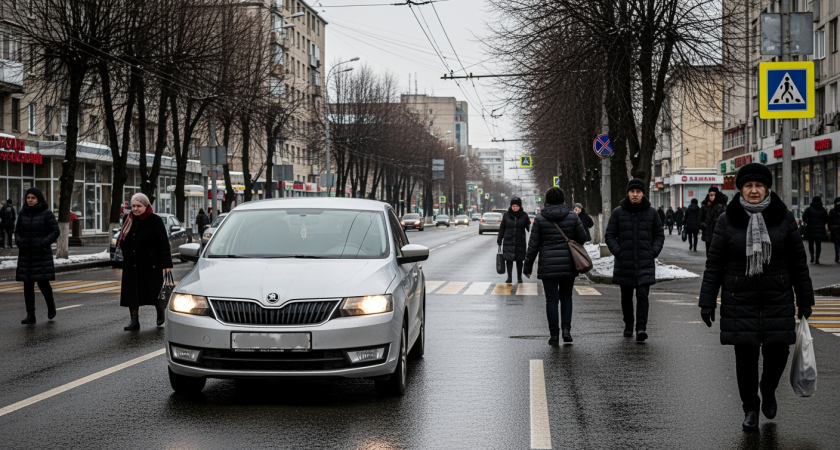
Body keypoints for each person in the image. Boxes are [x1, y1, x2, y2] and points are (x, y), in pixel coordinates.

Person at [699, 163, 814, 431]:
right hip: (740, 299)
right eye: (748, 186)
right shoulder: (727, 220)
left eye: (759, 186)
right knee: (746, 359)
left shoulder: (783, 217)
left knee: (778, 354)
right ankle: (750, 408)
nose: (753, 190)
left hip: (778, 297)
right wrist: (706, 301)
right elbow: (714, 263)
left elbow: (798, 262)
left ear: (767, 189)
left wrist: (805, 299)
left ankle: (768, 387)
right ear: (740, 189)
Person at [524, 187, 589, 345]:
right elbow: (583, 237)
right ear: (563, 200)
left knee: (551, 301)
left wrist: (527, 267)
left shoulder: (540, 219)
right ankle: (566, 330)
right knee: (566, 297)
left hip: (548, 265)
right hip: (568, 264)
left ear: (546, 200)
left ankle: (554, 335)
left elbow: (533, 245)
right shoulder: (572, 216)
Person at [605, 179, 664, 341]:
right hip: (625, 262)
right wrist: (619, 252)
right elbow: (609, 235)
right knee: (626, 297)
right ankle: (629, 324)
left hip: (645, 261)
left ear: (643, 193)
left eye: (638, 191)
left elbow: (659, 235)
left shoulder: (652, 213)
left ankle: (641, 328)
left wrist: (653, 252)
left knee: (643, 296)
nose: (635, 195)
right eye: (632, 191)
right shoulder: (618, 212)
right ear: (628, 193)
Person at [118, 193, 173, 330]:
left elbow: (163, 244)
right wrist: (126, 256)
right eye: (133, 206)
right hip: (132, 263)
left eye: (139, 206)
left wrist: (166, 264)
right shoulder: (128, 219)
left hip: (151, 264)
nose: (135, 209)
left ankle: (160, 312)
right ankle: (134, 321)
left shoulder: (155, 220)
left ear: (146, 206)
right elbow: (123, 239)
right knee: (132, 293)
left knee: (154, 292)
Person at [16, 188, 60, 325]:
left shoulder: (47, 214)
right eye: (28, 197)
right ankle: (30, 315)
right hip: (26, 254)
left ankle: (51, 306)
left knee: (43, 282)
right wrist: (20, 242)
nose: (30, 200)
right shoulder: (22, 213)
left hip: (41, 253)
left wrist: (43, 243)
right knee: (27, 284)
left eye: (33, 198)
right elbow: (17, 232)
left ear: (39, 199)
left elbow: (55, 231)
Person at [498, 197, 531, 284]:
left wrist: (532, 228)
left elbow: (529, 227)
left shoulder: (524, 215)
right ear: (511, 206)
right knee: (509, 260)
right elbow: (502, 228)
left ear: (520, 206)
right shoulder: (506, 215)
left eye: (516, 206)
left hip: (520, 241)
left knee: (519, 260)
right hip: (508, 241)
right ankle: (509, 278)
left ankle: (519, 278)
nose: (515, 207)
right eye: (513, 206)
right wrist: (499, 240)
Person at [700, 186, 729, 254]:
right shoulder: (705, 206)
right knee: (708, 252)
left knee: (718, 253)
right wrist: (703, 225)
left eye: (713, 195)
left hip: (719, 233)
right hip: (708, 233)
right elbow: (700, 218)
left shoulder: (722, 206)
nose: (711, 197)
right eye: (710, 195)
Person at [801, 196, 829, 264]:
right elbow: (827, 219)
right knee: (818, 244)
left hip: (810, 228)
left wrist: (807, 221)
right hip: (820, 229)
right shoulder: (823, 210)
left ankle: (812, 257)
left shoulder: (809, 209)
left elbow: (804, 217)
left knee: (811, 243)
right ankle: (817, 259)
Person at [830, 197, 840, 263]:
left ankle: (837, 256)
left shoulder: (832, 211)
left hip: (835, 229)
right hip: (836, 229)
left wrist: (831, 228)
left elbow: (829, 220)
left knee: (837, 244)